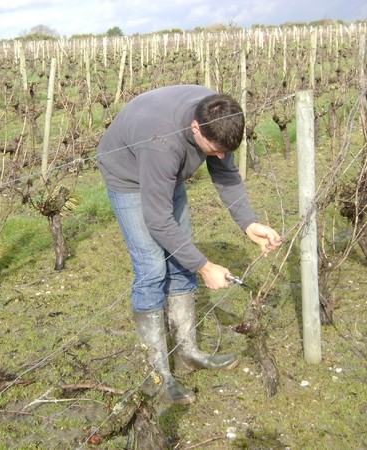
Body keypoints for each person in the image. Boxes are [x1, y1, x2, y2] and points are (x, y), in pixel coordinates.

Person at [96, 84, 282, 405]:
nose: (221, 156)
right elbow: (157, 219)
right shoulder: (163, 144)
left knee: (180, 259)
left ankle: (188, 353)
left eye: (227, 150)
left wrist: (249, 223)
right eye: (214, 149)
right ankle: (157, 376)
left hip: (166, 171)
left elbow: (225, 174)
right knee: (152, 269)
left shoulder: (217, 116)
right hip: (128, 176)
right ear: (195, 128)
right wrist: (205, 266)